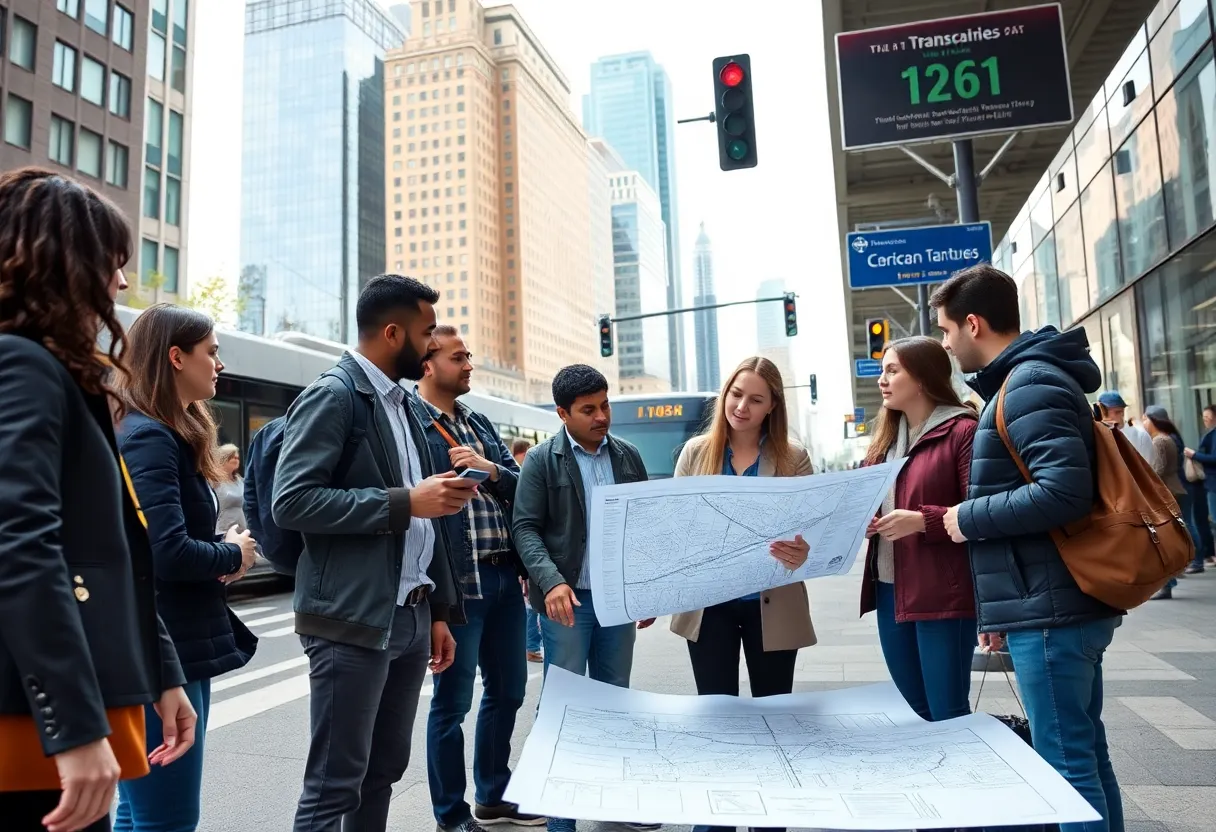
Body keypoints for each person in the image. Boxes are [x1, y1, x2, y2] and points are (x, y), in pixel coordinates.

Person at [0, 168, 196, 832]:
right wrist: (75, 728)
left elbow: (117, 552)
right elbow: (21, 548)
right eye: (111, 263)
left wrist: (163, 672)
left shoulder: (53, 371)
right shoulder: (24, 365)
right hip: (32, 715)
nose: (121, 283)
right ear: (67, 265)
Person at [272, 274, 478, 832]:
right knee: (334, 784)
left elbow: (427, 516)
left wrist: (438, 611)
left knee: (382, 771)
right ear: (392, 333)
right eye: (426, 332)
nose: (432, 344)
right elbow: (292, 500)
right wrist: (405, 501)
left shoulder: (403, 404)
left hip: (410, 614)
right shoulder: (334, 395)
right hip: (351, 617)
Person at [934, 265, 1124, 832]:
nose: (946, 344)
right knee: (1085, 754)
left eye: (946, 330)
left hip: (1051, 608)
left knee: (1066, 768)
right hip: (1047, 602)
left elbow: (1062, 492)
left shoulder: (1029, 385)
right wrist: (999, 617)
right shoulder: (1027, 380)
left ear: (973, 324)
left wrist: (966, 517)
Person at [113, 304, 260, 832]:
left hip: (169, 641)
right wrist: (232, 554)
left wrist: (218, 551)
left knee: (139, 811)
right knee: (167, 818)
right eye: (211, 352)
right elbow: (165, 552)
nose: (219, 364)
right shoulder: (151, 436)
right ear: (176, 357)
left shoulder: (153, 431)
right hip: (163, 646)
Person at [668, 357, 816, 832]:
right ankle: (717, 821)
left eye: (755, 399)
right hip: (709, 607)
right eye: (735, 394)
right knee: (718, 721)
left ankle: (770, 821)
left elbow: (815, 534)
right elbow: (676, 527)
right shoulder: (695, 453)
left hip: (771, 605)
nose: (741, 406)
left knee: (773, 718)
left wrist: (803, 551)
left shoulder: (793, 458)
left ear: (773, 406)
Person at [512, 365, 658, 832]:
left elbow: (644, 526)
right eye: (588, 409)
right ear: (563, 413)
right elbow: (525, 528)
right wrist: (552, 582)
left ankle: (617, 802)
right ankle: (561, 819)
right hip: (567, 603)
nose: (602, 417)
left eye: (605, 405)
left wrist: (646, 588)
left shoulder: (628, 456)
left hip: (617, 601)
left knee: (614, 698)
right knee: (564, 702)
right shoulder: (541, 460)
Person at [415, 325, 542, 832]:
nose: (469, 365)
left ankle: (493, 796)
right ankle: (451, 816)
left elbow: (524, 489)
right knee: (451, 704)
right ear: (427, 363)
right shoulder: (410, 423)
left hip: (505, 577)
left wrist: (491, 469)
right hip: (456, 585)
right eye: (458, 357)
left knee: (509, 691)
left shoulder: (479, 422)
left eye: (469, 356)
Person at [859, 337, 978, 724]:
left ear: (923, 378)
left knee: (947, 713)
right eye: (882, 371)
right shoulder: (883, 444)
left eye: (892, 371)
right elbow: (863, 504)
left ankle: (963, 765)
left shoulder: (962, 431)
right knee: (913, 711)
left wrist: (921, 520)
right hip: (889, 588)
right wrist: (863, 523)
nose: (882, 380)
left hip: (942, 592)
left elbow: (979, 510)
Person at [1142, 407, 1200, 599]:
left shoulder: (1159, 440)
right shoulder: (1168, 438)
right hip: (1175, 490)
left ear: (1153, 420)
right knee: (1175, 533)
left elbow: (1158, 470)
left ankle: (1169, 582)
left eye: (1145, 419)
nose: (1143, 423)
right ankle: (1176, 574)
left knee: (1165, 538)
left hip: (1166, 492)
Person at [511, 439, 544, 662]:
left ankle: (531, 645)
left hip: (525, 557)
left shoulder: (519, 473)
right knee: (531, 607)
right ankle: (531, 646)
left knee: (530, 606)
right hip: (526, 557)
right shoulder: (520, 475)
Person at [1183, 405, 1216, 568]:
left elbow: (1214, 458)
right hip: (1209, 482)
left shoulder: (1214, 435)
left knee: (1214, 518)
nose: (1205, 421)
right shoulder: (1209, 434)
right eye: (1203, 418)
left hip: (1213, 482)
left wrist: (1194, 455)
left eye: (1208, 417)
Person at [1096, 391, 1153, 462]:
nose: (1104, 418)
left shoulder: (1140, 435)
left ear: (1121, 411)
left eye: (1117, 412)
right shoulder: (1098, 436)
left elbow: (1148, 464)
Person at [213, 444, 247, 535]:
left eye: (237, 458)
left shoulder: (240, 480)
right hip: (223, 530)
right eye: (233, 457)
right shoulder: (215, 481)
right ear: (224, 459)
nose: (236, 460)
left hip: (242, 529)